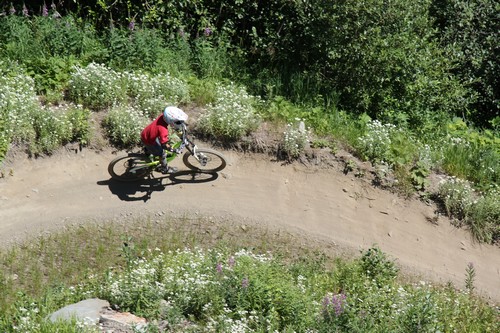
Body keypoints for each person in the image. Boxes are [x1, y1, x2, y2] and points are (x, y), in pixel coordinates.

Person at [141, 106, 188, 174]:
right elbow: (164, 145)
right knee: (162, 153)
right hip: (149, 140)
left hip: (146, 133)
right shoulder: (163, 130)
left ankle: (147, 152)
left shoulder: (163, 117)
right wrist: (173, 150)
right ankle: (164, 169)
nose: (178, 122)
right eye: (177, 122)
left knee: (157, 142)